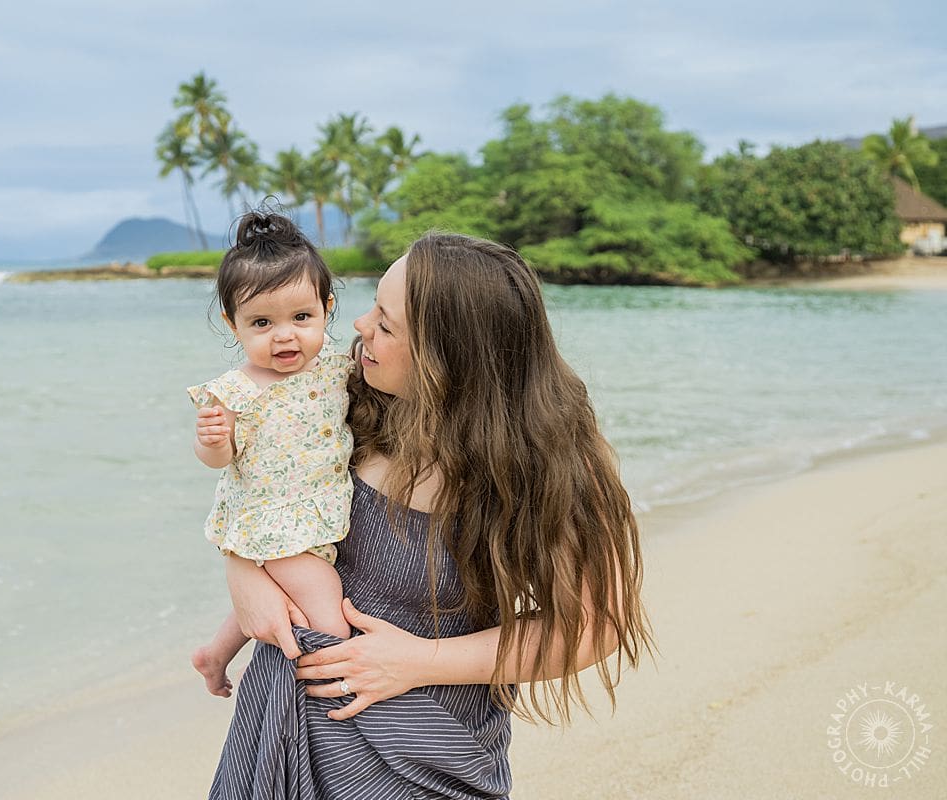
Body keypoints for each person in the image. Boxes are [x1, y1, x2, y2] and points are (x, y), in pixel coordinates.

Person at [209, 232, 656, 799]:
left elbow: (593, 626)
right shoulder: (346, 398)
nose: (359, 327)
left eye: (387, 324)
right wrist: (242, 571)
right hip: (278, 728)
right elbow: (258, 487)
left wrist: (421, 660)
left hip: (424, 755)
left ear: (449, 355)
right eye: (372, 305)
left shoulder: (542, 463)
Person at [187, 211, 356, 698]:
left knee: (273, 597)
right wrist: (213, 440)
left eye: (301, 318)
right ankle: (332, 688)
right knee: (324, 602)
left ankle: (214, 655)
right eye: (262, 322)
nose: (284, 335)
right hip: (271, 520)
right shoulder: (235, 392)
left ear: (326, 308)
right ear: (232, 323)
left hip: (319, 512)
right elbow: (215, 461)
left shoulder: (334, 369)